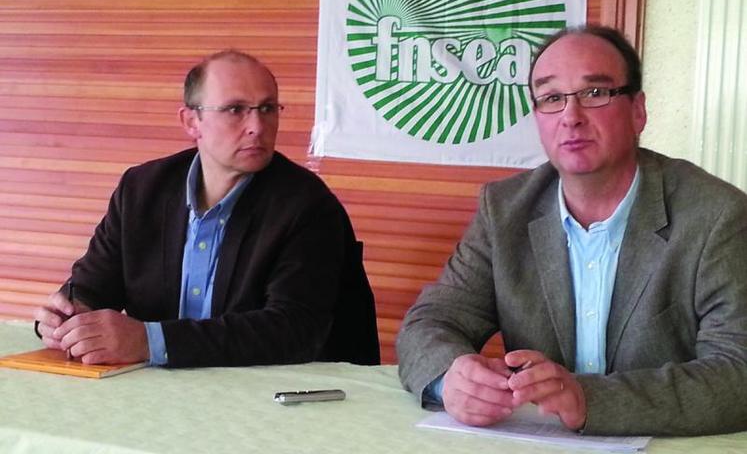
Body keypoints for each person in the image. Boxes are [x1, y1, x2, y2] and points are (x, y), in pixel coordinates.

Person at [396, 25, 747, 436]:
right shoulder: (505, 210)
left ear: (638, 111)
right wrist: (450, 376)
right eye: (551, 98)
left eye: (595, 94)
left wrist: (590, 399)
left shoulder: (717, 214)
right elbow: (430, 321)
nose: (571, 117)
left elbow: (738, 370)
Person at [34, 49, 379, 368]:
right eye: (235, 110)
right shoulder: (142, 189)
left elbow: (292, 330)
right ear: (191, 122)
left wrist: (150, 342)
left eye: (268, 108)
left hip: (282, 397)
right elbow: (93, 286)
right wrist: (66, 316)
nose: (257, 126)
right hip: (163, 391)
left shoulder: (307, 205)